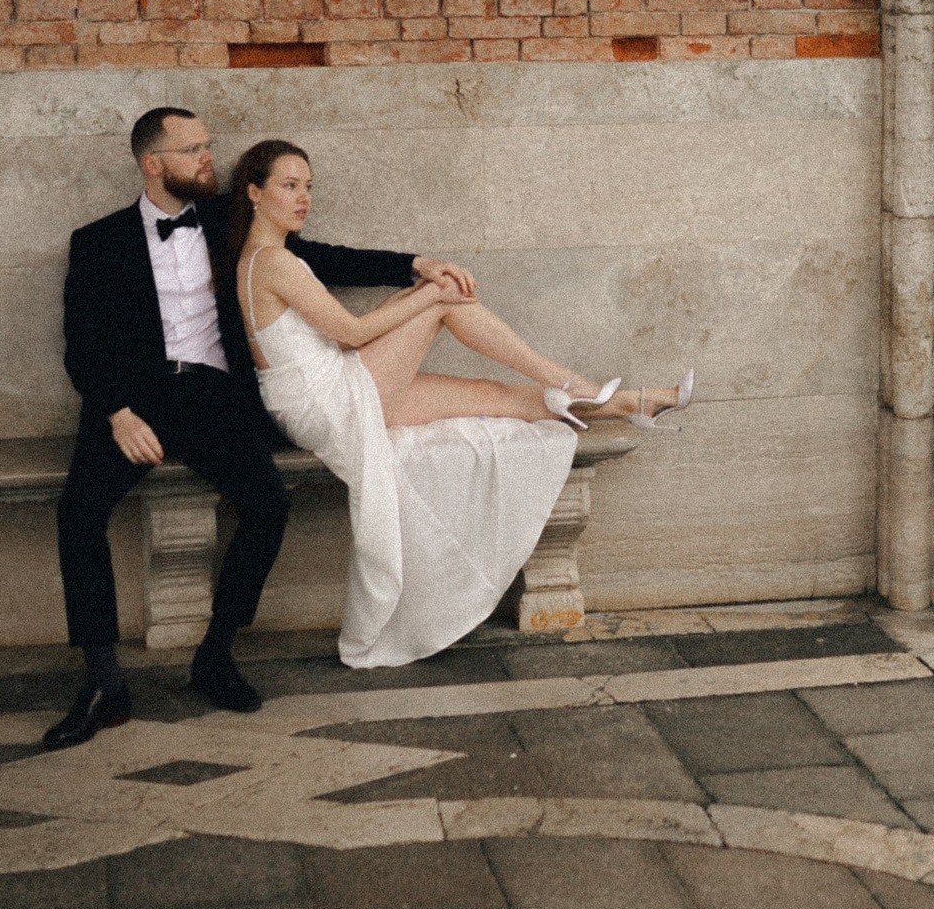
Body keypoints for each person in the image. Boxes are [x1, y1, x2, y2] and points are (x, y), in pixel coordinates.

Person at [43, 107, 492, 751]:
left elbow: (319, 259)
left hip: (214, 396)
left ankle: (216, 654)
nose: (208, 157)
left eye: (207, 144)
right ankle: (102, 683)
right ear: (152, 163)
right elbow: (81, 344)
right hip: (133, 403)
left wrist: (415, 264)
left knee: (268, 505)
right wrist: (118, 414)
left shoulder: (227, 220)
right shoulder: (98, 242)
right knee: (78, 512)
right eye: (192, 149)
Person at [225, 138, 692, 668]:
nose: (303, 197)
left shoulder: (277, 258)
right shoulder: (271, 262)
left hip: (336, 388)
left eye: (308, 186)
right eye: (289, 186)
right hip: (326, 403)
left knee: (493, 397)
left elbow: (340, 337)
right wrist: (428, 295)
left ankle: (636, 403)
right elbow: (351, 333)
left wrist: (416, 289)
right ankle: (576, 383)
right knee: (445, 304)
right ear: (254, 193)